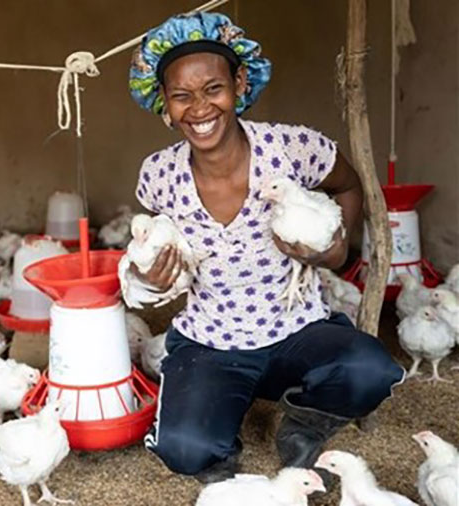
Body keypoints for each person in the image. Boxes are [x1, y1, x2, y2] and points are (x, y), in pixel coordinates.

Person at [128, 12, 404, 483]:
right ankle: (218, 441)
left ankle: (304, 423)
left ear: (238, 82)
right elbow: (143, 255)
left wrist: (337, 250)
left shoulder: (293, 147)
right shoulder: (158, 175)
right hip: (211, 340)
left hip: (298, 327)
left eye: (212, 89)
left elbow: (349, 185)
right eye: (181, 96)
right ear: (165, 104)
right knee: (185, 450)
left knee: (371, 369)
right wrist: (147, 280)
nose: (198, 109)